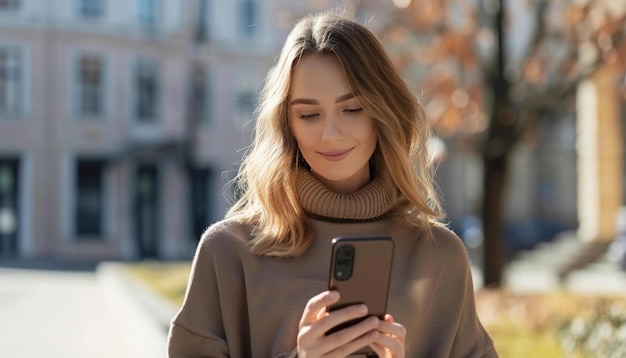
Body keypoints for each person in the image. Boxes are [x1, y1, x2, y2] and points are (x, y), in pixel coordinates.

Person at [168, 11, 498, 358]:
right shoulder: (229, 252)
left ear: (382, 111)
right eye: (309, 114)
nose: (330, 134)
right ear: (287, 124)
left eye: (352, 109)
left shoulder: (439, 257)